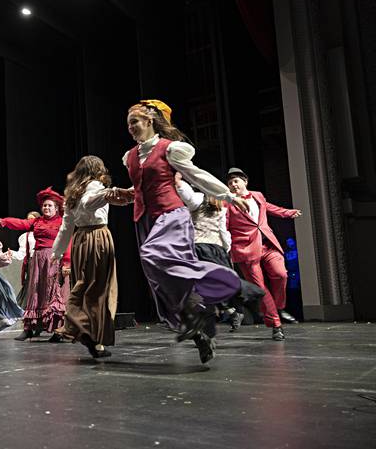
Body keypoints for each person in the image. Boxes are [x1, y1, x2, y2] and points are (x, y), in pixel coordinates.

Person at [111, 100, 249, 363]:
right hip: (145, 219)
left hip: (171, 216)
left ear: (149, 121)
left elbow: (196, 175)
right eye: (128, 124)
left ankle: (232, 285)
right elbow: (140, 189)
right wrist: (123, 195)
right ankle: (197, 328)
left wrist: (228, 195)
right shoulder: (129, 156)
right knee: (160, 280)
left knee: (155, 257)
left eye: (134, 122)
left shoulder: (170, 149)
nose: (130, 128)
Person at [174, 171, 264, 332]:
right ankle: (227, 310)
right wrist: (225, 249)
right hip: (218, 249)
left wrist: (178, 175)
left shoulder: (198, 199)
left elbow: (183, 190)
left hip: (201, 247)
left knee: (201, 285)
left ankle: (245, 291)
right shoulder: (221, 206)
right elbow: (224, 232)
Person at [53, 156, 123, 359]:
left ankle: (94, 339)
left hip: (80, 240)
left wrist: (57, 252)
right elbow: (90, 203)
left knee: (84, 284)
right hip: (98, 237)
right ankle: (81, 326)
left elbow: (66, 227)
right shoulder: (95, 187)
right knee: (100, 289)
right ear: (97, 170)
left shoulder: (72, 194)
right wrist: (113, 194)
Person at [226, 167, 302, 340]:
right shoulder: (228, 203)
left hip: (268, 244)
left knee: (281, 274)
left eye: (236, 181)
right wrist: (226, 248)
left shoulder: (258, 195)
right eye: (230, 183)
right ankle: (276, 325)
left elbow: (269, 208)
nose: (233, 185)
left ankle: (278, 306)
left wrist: (288, 213)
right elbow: (225, 227)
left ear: (245, 181)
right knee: (260, 289)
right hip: (246, 250)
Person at [0, 187, 71, 342]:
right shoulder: (37, 222)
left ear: (57, 208)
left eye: (50, 206)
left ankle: (57, 331)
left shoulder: (62, 222)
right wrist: (2, 221)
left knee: (53, 293)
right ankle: (29, 329)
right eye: (44, 206)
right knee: (35, 293)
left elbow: (67, 242)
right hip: (39, 261)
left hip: (54, 259)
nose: (46, 208)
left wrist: (66, 263)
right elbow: (21, 223)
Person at [12, 211, 40, 308]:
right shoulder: (25, 236)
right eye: (28, 220)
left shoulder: (44, 233)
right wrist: (11, 253)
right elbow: (22, 254)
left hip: (45, 261)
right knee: (33, 286)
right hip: (32, 262)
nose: (30, 221)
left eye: (32, 219)